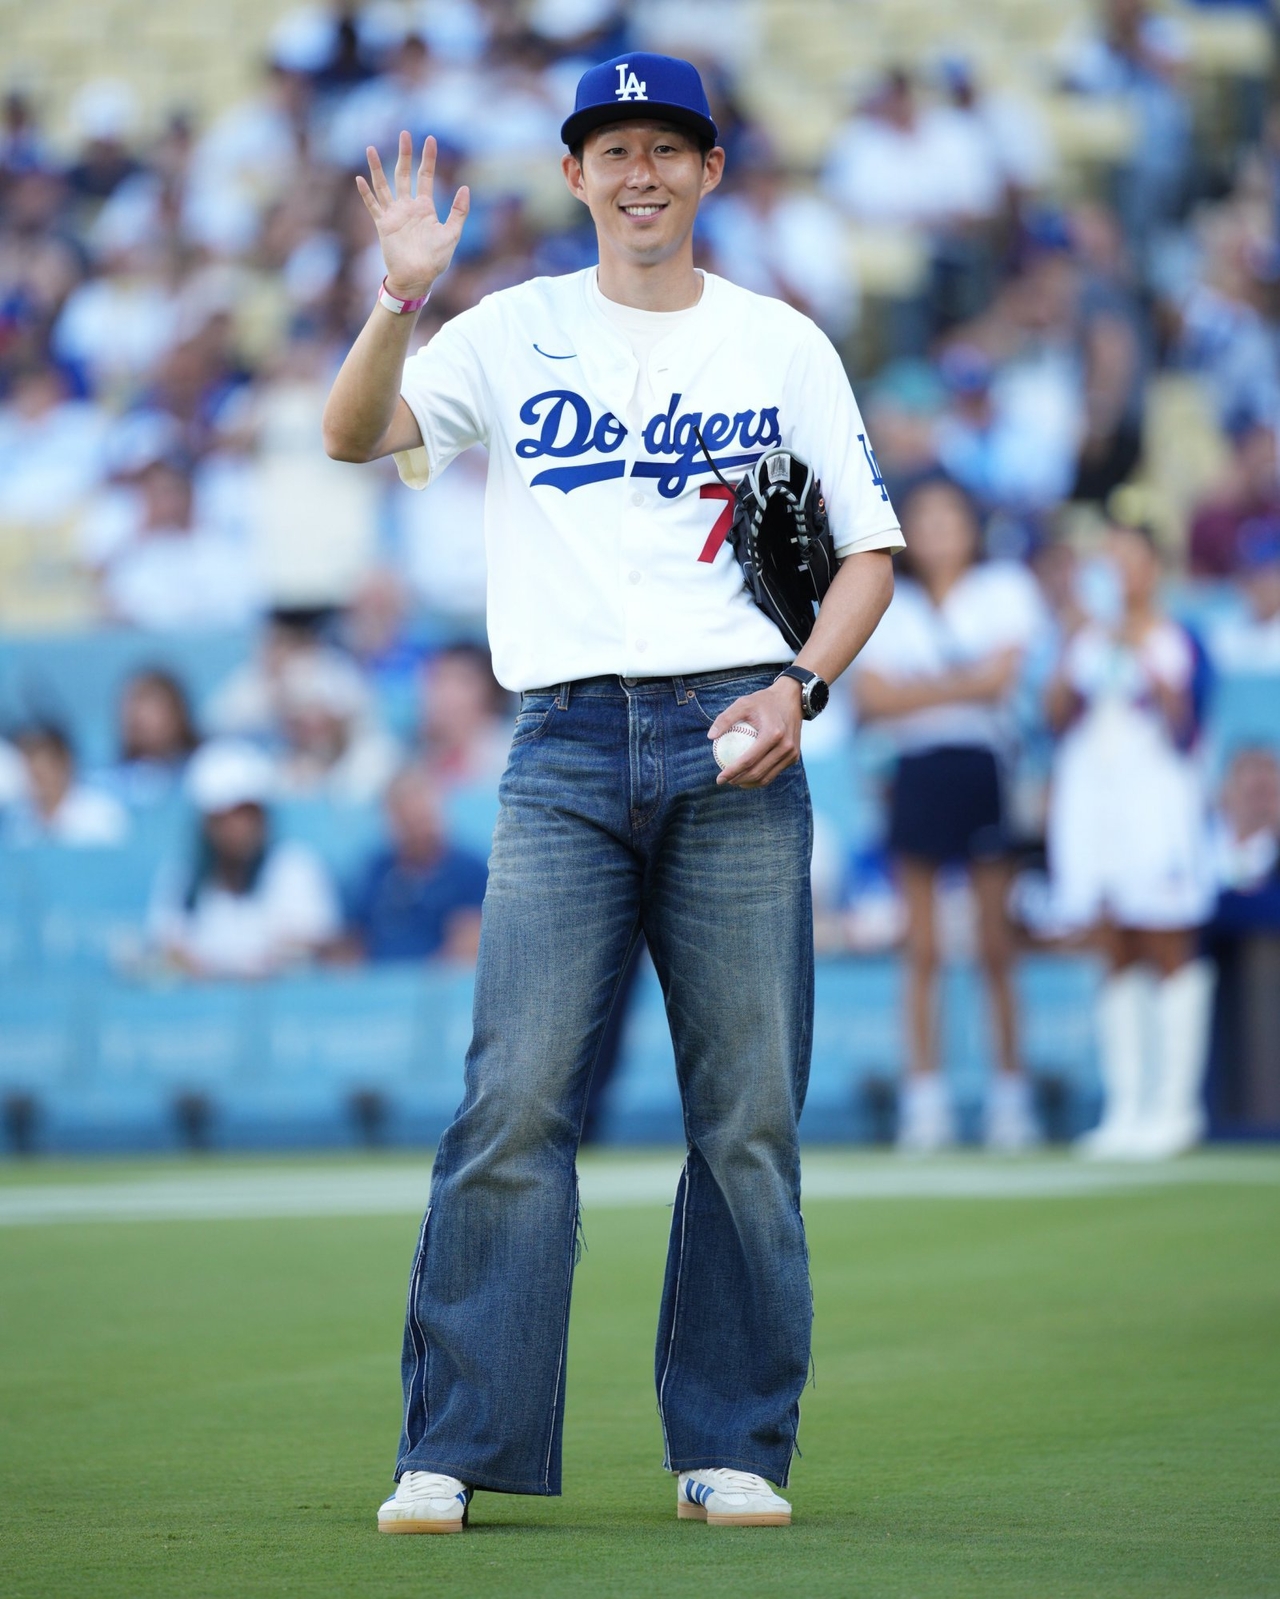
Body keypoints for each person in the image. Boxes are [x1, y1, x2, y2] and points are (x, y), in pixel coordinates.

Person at [322, 53, 900, 1533]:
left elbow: (867, 552)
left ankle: (731, 1445)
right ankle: (452, 1442)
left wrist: (803, 686)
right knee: (513, 1097)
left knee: (748, 1115)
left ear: (711, 171)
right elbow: (351, 434)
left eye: (667, 146)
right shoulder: (509, 330)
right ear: (575, 177)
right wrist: (401, 298)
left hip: (738, 734)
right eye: (611, 148)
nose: (638, 171)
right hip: (565, 742)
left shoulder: (782, 345)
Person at [852, 476, 1046, 1152]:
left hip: (982, 767)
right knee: (924, 946)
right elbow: (873, 698)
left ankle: (1010, 1097)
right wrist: (963, 685)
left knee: (996, 943)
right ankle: (925, 1101)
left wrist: (921, 690)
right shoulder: (888, 599)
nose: (938, 532)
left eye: (949, 518)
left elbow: (1005, 681)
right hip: (918, 771)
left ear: (972, 525)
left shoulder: (1005, 590)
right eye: (924, 520)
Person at [1045, 522, 1216, 1158]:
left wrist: (1141, 649)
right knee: (1112, 941)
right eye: (1109, 560)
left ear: (1153, 569)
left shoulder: (1179, 635)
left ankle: (1176, 1106)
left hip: (1157, 802)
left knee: (1165, 936)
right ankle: (1127, 1105)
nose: (1118, 573)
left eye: (1129, 560)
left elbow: (1190, 725)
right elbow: (1055, 718)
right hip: (1095, 803)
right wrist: (1072, 643)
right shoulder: (1085, 639)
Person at [149, 739, 340, 979]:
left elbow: (315, 944)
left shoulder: (295, 867)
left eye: (246, 815)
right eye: (224, 818)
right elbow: (168, 947)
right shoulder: (183, 877)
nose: (237, 828)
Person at [339, 763, 487, 963]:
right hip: (375, 984)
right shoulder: (376, 869)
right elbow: (356, 941)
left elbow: (468, 945)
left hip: (438, 989)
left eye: (425, 820)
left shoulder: (470, 870)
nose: (420, 833)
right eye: (409, 824)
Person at [4, 723, 130, 847]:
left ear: (64, 765)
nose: (35, 784)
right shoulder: (18, 822)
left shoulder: (101, 816)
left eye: (41, 775)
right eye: (31, 775)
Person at [103, 667, 201, 809]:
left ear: (177, 713)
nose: (138, 717)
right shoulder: (107, 785)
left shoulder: (207, 773)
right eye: (131, 705)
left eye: (150, 705)